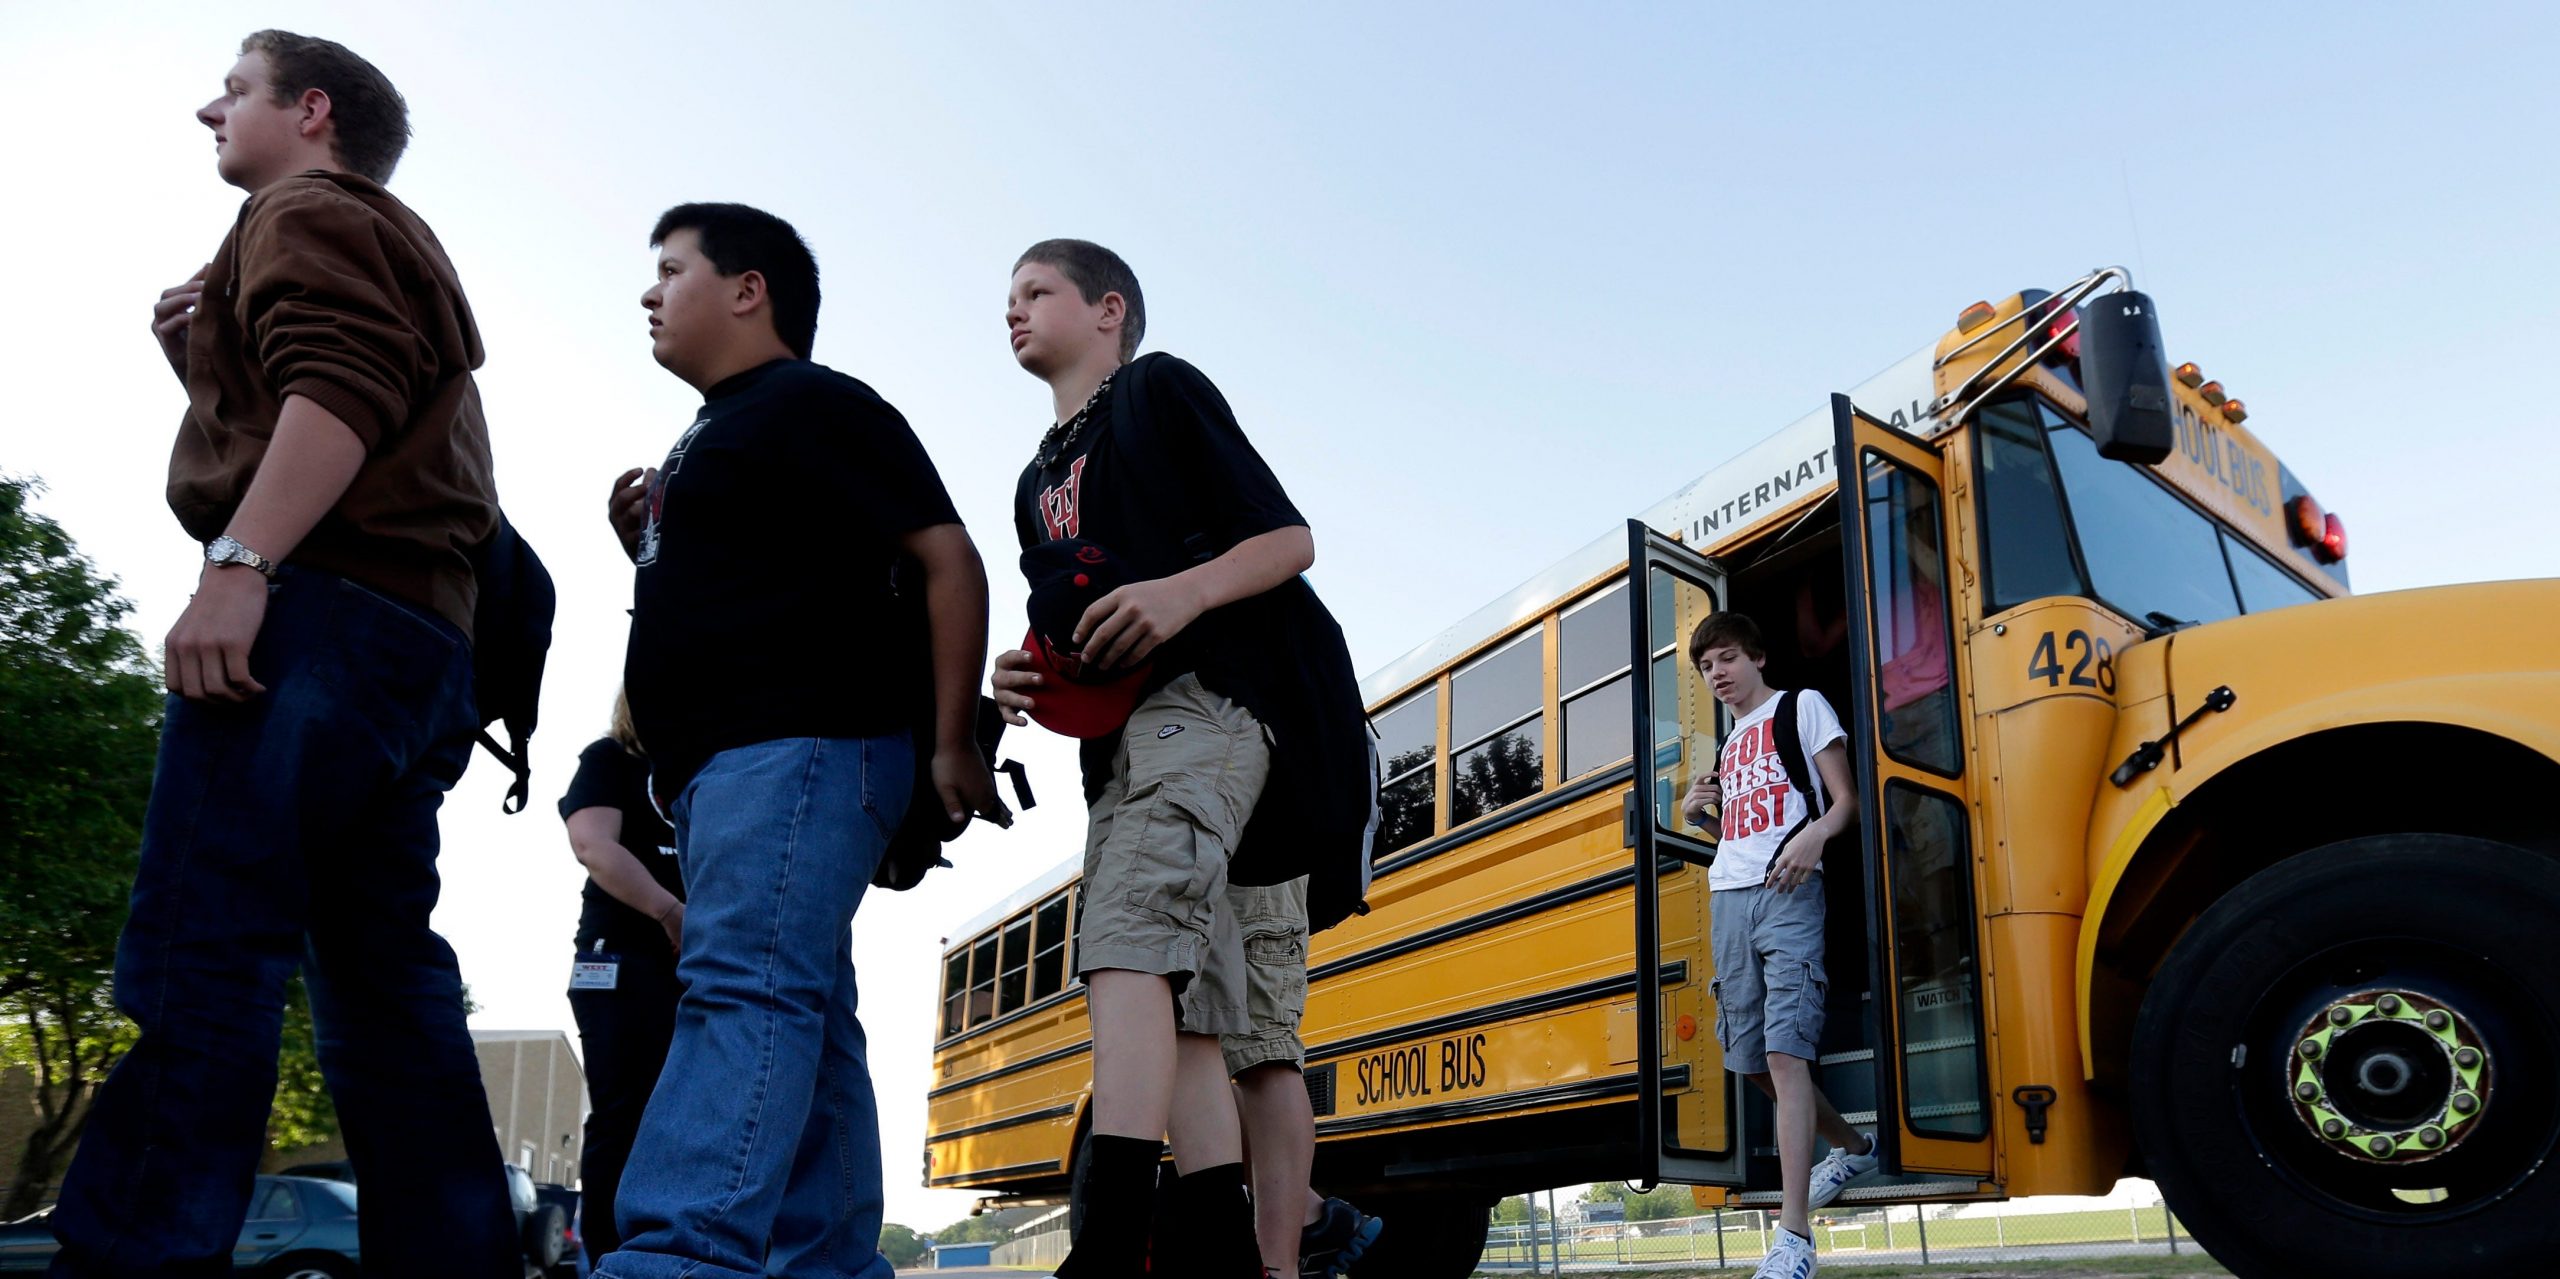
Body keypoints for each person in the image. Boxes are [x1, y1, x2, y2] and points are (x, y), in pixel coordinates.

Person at [48, 30, 522, 1277]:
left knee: (207, 945)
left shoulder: (303, 206)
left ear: (312, 111)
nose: (208, 108)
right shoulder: (378, 233)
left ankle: (137, 1257)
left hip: (318, 617)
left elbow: (345, 391)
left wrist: (238, 567)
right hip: (420, 643)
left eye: (236, 90)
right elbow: (367, 409)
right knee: (384, 987)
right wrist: (210, 366)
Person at [598, 202, 1003, 1279]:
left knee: (743, 985)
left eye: (671, 270)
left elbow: (950, 560)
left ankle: (678, 1256)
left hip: (798, 743)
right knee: (807, 1015)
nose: (650, 291)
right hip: (730, 766)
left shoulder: (812, 403)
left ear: (748, 289)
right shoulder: (715, 434)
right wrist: (644, 536)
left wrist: (952, 742)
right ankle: (825, 1262)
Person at [992, 239, 1373, 1279]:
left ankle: (1109, 1245)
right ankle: (1214, 1248)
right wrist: (1023, 672)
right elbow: (1080, 618)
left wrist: (1184, 592)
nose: (1012, 310)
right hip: (1118, 744)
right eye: (1007, 297)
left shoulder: (1156, 391)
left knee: (1125, 937)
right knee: (1192, 1002)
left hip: (1217, 694)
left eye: (1036, 291)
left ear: (1108, 309)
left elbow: (1286, 540)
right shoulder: (1035, 480)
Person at [1680, 612, 1877, 1279]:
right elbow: (1735, 837)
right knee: (1751, 1059)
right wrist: (1699, 816)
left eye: (1728, 658)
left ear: (1757, 656)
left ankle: (1792, 1239)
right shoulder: (1728, 742)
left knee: (1786, 1051)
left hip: (1791, 891)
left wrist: (1815, 835)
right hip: (1729, 897)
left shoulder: (1801, 707)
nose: (1719, 674)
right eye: (1707, 668)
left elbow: (1845, 800)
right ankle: (1851, 1144)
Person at [558, 694, 687, 1268]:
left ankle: (680, 1247)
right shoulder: (612, 758)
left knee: (690, 1114)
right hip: (621, 959)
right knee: (625, 1110)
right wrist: (668, 911)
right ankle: (613, 1257)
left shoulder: (702, 770)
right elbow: (593, 845)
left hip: (696, 964)